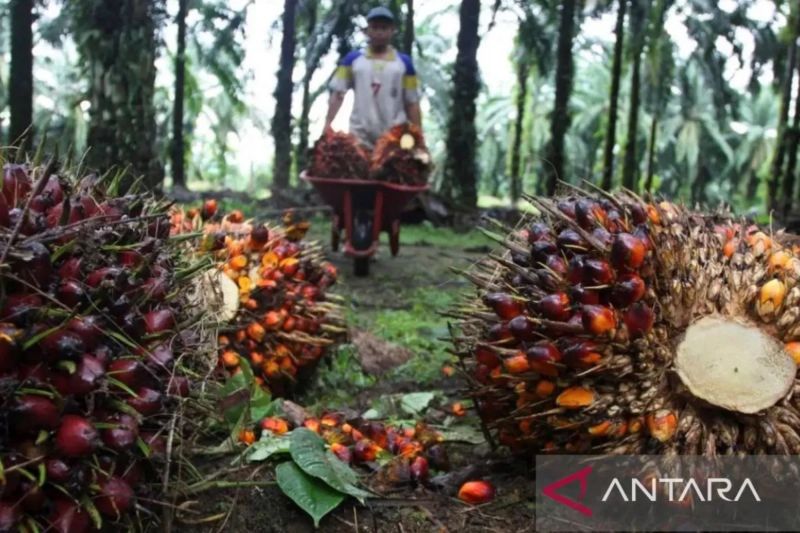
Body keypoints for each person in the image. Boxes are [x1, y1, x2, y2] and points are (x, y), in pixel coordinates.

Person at [324, 6, 422, 149]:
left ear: (392, 30)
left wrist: (418, 138)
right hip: (359, 138)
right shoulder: (352, 60)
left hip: (394, 139)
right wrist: (327, 125)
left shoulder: (404, 64)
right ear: (366, 31)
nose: (379, 32)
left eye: (384, 28)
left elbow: (412, 103)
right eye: (375, 27)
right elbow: (338, 94)